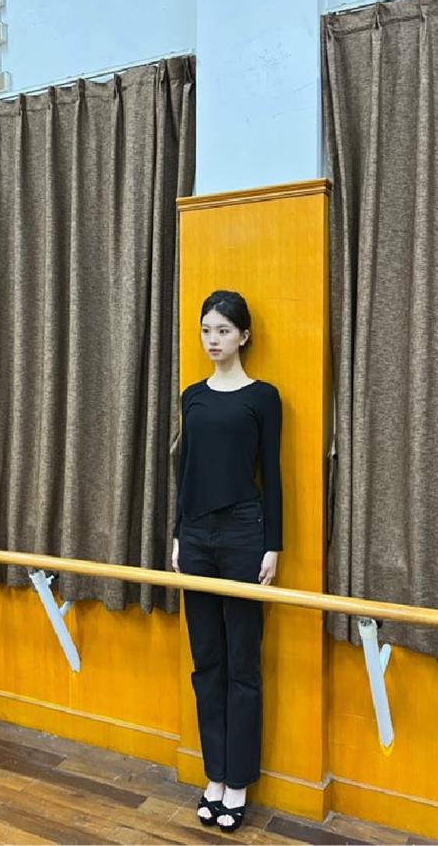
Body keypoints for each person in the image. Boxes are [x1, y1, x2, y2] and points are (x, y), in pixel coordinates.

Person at [171, 289, 283, 834]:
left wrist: (273, 544)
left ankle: (237, 782)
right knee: (206, 661)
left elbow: (273, 473)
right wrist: (177, 534)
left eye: (222, 330)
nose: (213, 340)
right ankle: (213, 774)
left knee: (242, 662)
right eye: (206, 331)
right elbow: (186, 470)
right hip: (195, 535)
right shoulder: (192, 396)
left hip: (243, 533)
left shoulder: (263, 397)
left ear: (244, 336)